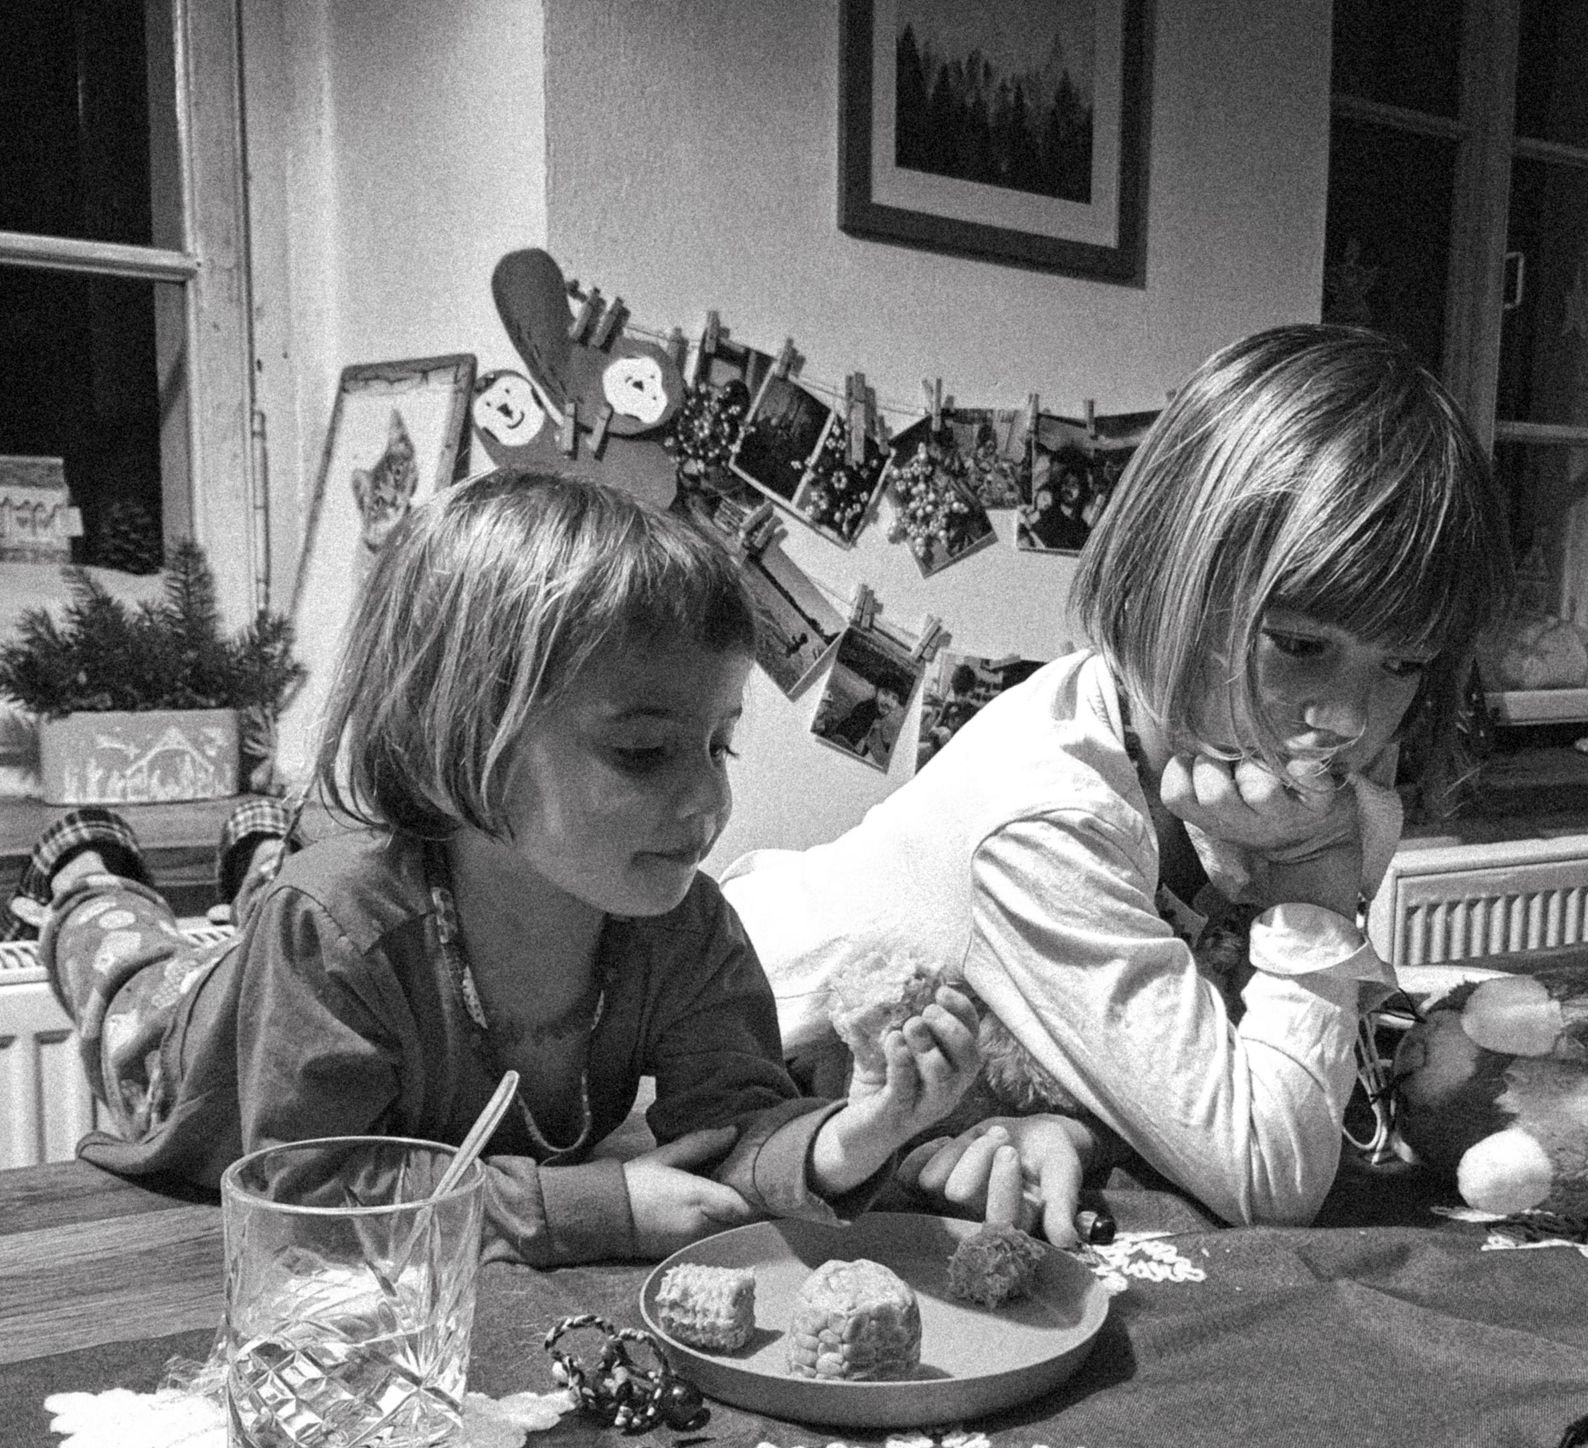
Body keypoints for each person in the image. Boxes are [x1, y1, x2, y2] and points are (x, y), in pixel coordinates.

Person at [11, 470, 980, 1266]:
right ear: (464, 737)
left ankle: (262, 847)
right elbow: (309, 1197)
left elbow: (737, 1127)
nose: (709, 800)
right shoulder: (330, 928)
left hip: (321, 924)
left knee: (281, 889)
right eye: (644, 751)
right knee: (128, 961)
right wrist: (590, 1208)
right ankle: (93, 872)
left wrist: (852, 1135)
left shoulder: (685, 924)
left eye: (718, 743)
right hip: (189, 1036)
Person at [722, 324, 1512, 1246]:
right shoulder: (1053, 809)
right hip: (711, 1099)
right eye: (1301, 644)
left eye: (1403, 663)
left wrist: (1078, 1129)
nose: (1346, 719)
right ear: (1167, 578)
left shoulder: (1235, 761)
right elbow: (1270, 1178)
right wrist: (1314, 890)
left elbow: (1269, 1065)